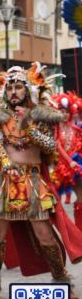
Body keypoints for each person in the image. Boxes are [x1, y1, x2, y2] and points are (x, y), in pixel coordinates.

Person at [0, 63, 82, 299]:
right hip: (5, 181)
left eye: (19, 87)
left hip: (32, 181)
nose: (13, 91)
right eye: (9, 87)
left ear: (28, 90)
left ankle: (62, 279)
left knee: (44, 233)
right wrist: (6, 164)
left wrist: (28, 126)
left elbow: (50, 146)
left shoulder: (40, 117)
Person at [51, 92, 82, 229]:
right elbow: (58, 146)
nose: (64, 115)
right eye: (62, 112)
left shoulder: (76, 129)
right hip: (60, 167)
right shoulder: (55, 130)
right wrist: (69, 161)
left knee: (80, 199)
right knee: (52, 201)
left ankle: (79, 229)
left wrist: (74, 160)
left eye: (66, 112)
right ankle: (60, 228)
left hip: (74, 167)